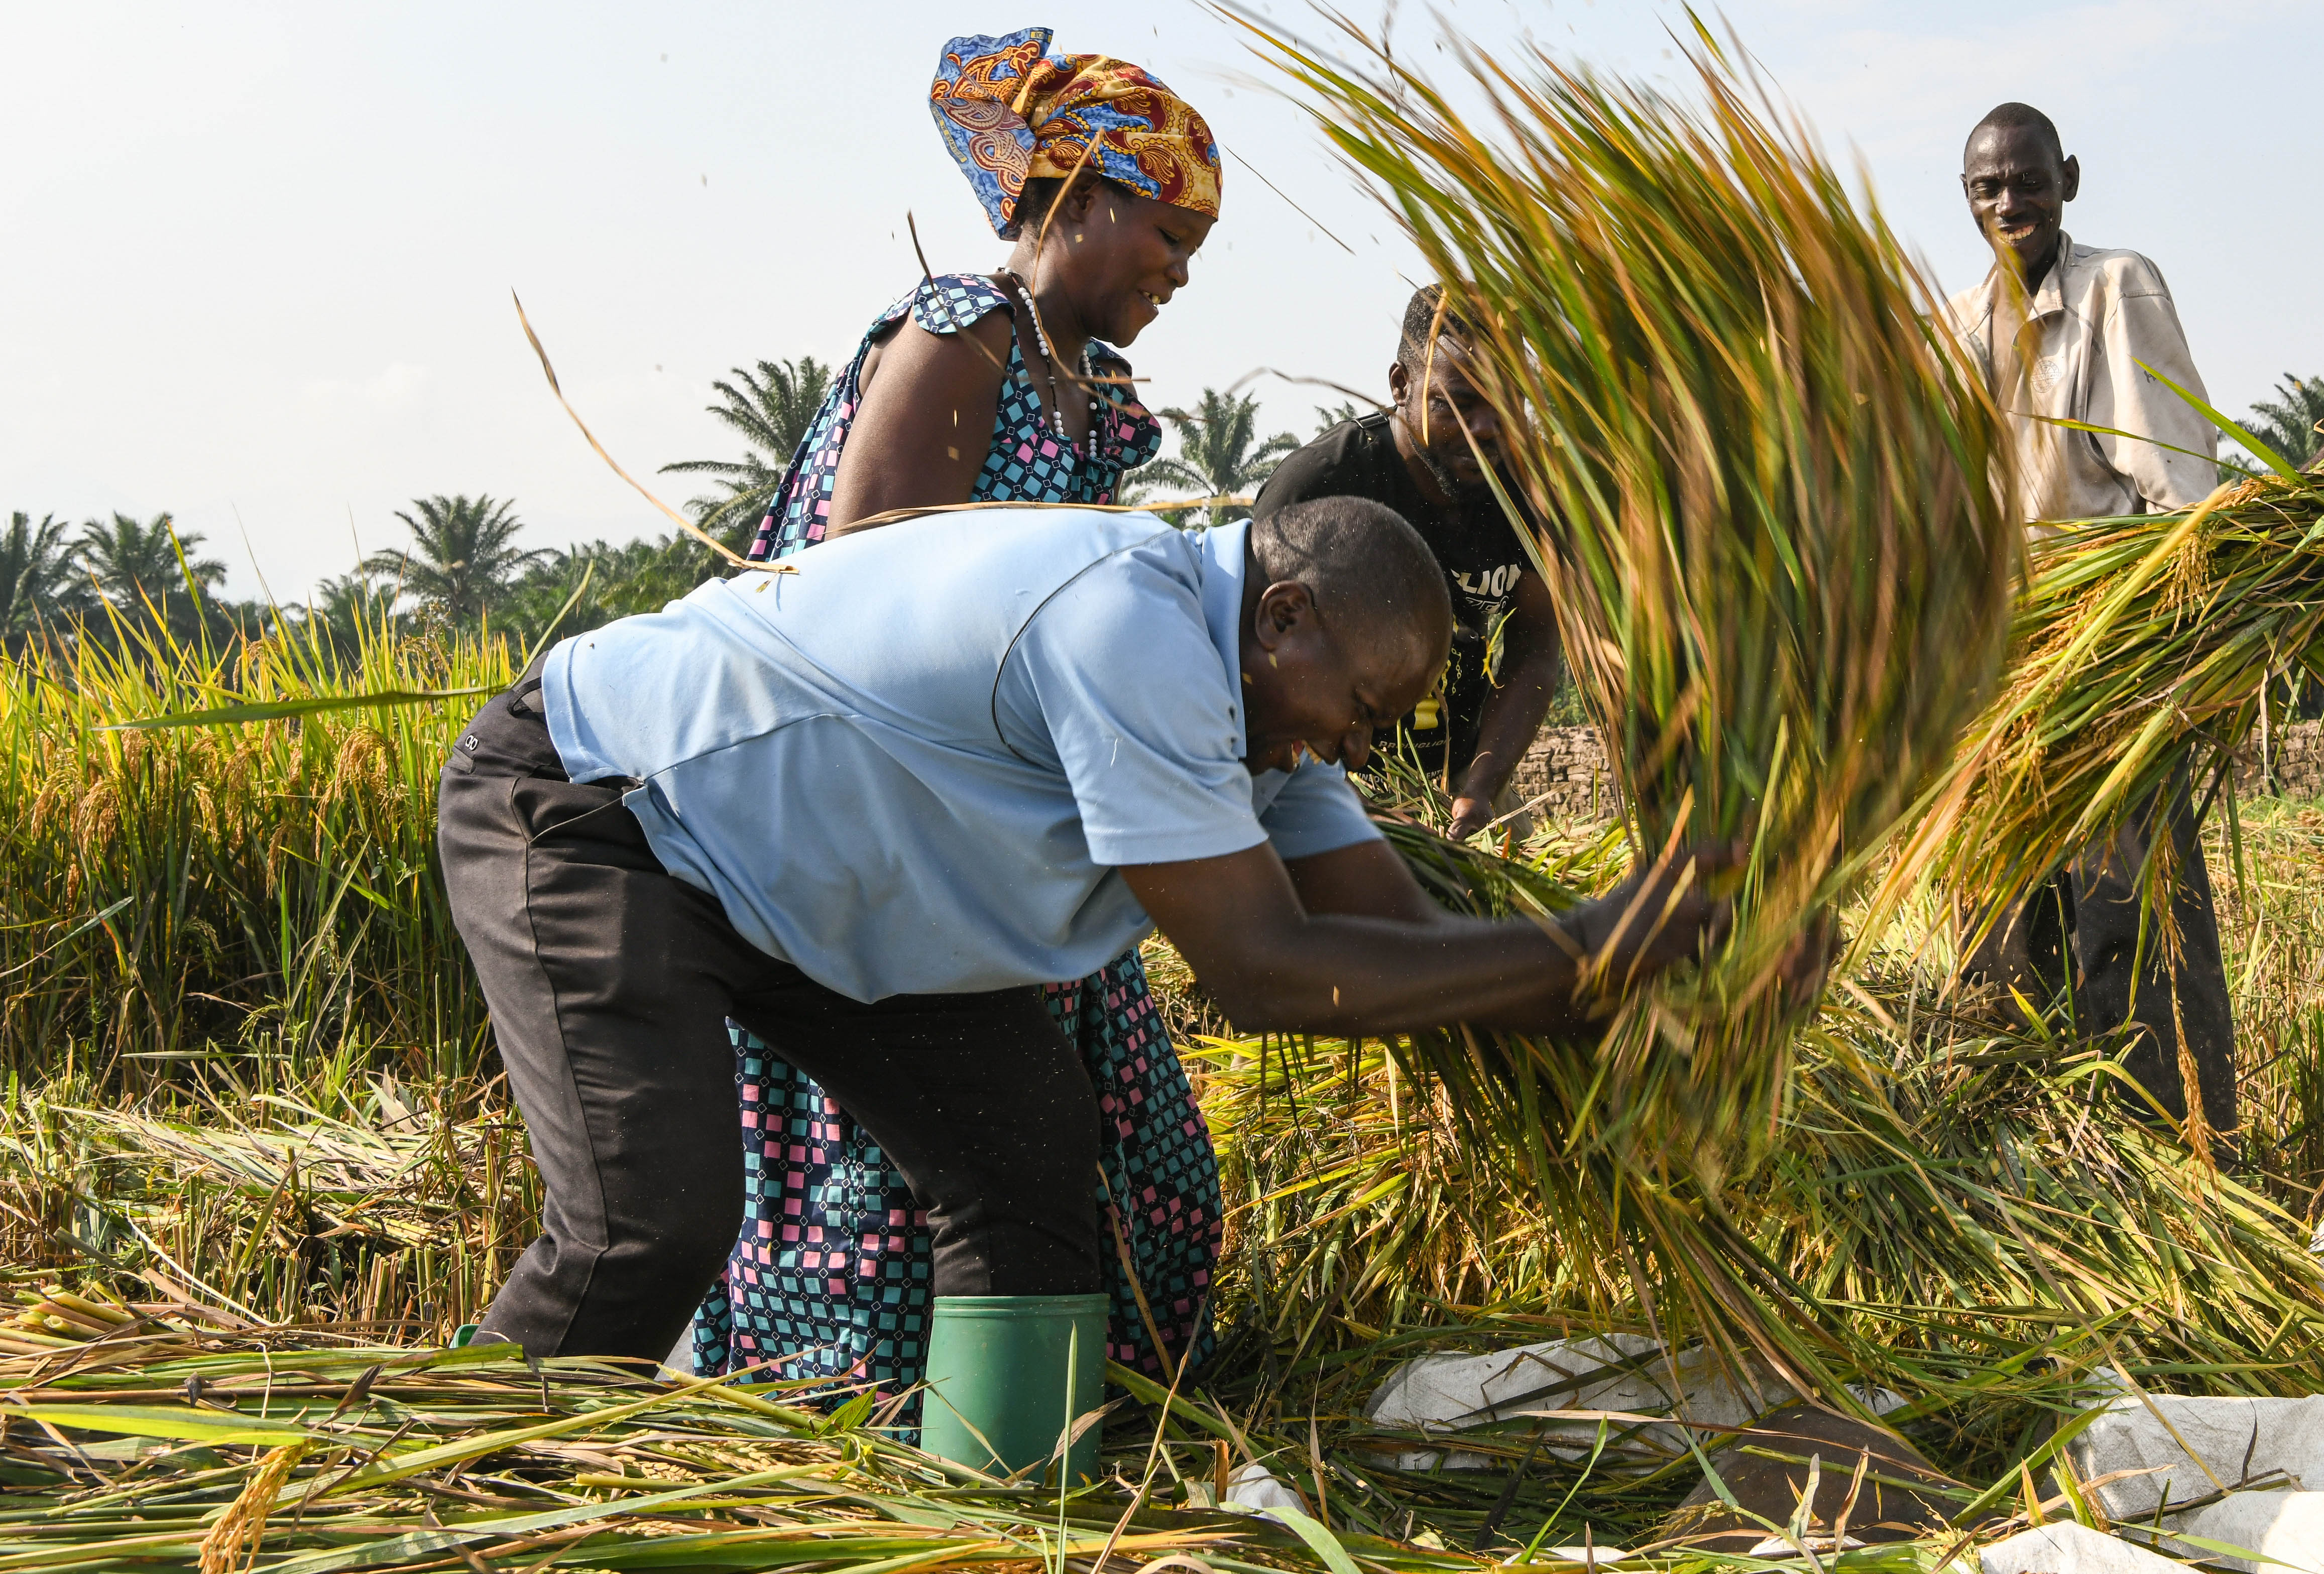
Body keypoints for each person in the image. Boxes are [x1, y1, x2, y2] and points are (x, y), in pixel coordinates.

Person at [438, 498, 1737, 1367]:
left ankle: (1007, 1522)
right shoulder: (1136, 625)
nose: (1355, 747)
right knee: (647, 1222)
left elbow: (1397, 940)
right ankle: (430, 1524)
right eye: (1357, 708)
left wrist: (1649, 977)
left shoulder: (1273, 712)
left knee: (1026, 1154)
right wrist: (1592, 953)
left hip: (815, 887)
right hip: (609, 805)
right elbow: (1264, 973)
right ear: (1285, 616)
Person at [697, 28, 1224, 1392]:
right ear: (1090, 198)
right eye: (1169, 232)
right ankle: (867, 1424)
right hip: (893, 820)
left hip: (1004, 822)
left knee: (1135, 1153)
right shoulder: (959, 332)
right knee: (915, 1167)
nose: (1179, 271)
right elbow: (863, 596)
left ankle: (1086, 1398)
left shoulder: (1096, 396)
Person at [1937, 103, 2237, 1136]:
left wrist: (2144, 641)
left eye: (2028, 181)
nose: (2010, 203)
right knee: (2004, 928)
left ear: (2067, 178)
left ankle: (2179, 1158)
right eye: (1989, 189)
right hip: (2005, 666)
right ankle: (2029, 1174)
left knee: (2132, 924)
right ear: (1967, 201)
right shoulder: (1958, 323)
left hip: (2110, 646)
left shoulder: (2116, 286)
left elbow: (2180, 492)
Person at [1253, 285, 1567, 841]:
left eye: (1506, 403)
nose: (1488, 429)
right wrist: (1332, 802)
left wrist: (1478, 790)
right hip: (1328, 770)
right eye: (1459, 404)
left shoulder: (1532, 493)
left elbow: (1534, 650)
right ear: (1401, 386)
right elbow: (1254, 661)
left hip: (1465, 764)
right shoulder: (1322, 486)